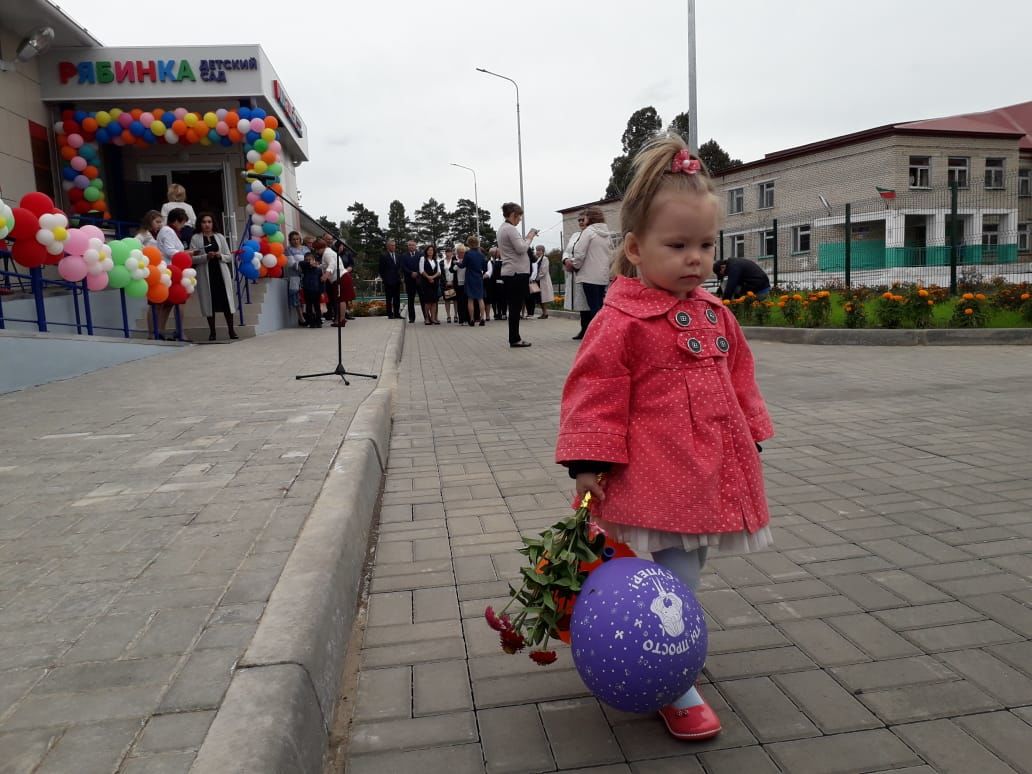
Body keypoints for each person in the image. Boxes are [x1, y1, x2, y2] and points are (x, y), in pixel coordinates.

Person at [555, 136, 774, 743]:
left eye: (706, 246)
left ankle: (661, 648)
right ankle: (673, 679)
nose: (696, 259)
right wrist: (588, 458)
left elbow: (740, 375)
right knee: (675, 577)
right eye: (677, 246)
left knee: (692, 561)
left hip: (711, 466)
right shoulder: (621, 318)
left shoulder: (715, 313)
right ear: (634, 247)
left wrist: (750, 431)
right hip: (655, 468)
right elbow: (594, 388)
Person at [189, 212, 238, 341]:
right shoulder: (195, 238)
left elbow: (228, 256)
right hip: (206, 273)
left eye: (209, 222)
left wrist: (219, 255)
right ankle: (212, 332)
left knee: (226, 302)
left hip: (220, 272)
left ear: (213, 223)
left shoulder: (220, 237)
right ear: (200, 224)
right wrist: (206, 256)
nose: (207, 225)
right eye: (204, 222)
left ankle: (231, 330)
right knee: (209, 303)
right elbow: (192, 258)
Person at [497, 203, 539, 347]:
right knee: (515, 307)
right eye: (519, 216)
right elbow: (521, 249)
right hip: (516, 273)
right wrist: (530, 237)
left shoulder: (502, 228)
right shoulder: (510, 229)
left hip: (510, 272)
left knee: (514, 306)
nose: (520, 219)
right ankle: (514, 339)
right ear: (513, 214)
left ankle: (514, 337)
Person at [570, 207, 611, 336]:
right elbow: (609, 254)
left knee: (593, 308)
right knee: (600, 306)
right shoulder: (606, 233)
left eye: (585, 217)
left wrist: (575, 265)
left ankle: (597, 336)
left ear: (590, 218)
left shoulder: (588, 232)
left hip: (589, 276)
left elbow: (579, 253)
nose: (584, 219)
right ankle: (604, 332)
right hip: (603, 276)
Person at [153, 207, 189, 339]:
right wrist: (185, 253)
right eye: (183, 222)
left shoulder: (169, 231)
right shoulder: (168, 231)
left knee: (168, 304)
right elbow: (169, 250)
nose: (183, 226)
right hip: (169, 270)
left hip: (171, 269)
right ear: (176, 221)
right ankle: (161, 330)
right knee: (170, 302)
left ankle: (161, 330)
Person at [563, 215, 590, 337]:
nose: (580, 222)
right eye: (579, 220)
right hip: (574, 272)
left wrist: (575, 263)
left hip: (586, 272)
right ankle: (583, 329)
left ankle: (590, 330)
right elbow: (567, 251)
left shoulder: (591, 235)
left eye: (583, 220)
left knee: (589, 303)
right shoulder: (575, 235)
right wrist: (566, 260)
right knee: (581, 304)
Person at [319, 239, 347, 327]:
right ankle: (340, 319)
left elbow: (332, 264)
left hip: (340, 277)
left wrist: (325, 275)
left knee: (341, 299)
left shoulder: (327, 253)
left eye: (317, 249)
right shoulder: (328, 252)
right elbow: (326, 265)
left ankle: (341, 319)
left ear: (320, 248)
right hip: (339, 277)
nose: (317, 252)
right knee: (340, 299)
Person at [462, 235, 488, 327]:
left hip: (470, 277)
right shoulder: (481, 255)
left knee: (470, 299)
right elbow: (485, 268)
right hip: (478, 277)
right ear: (477, 243)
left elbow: (463, 265)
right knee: (480, 299)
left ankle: (472, 319)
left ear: (469, 243)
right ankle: (482, 318)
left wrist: (457, 263)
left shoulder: (467, 253)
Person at [285, 231, 308, 326]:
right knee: (296, 296)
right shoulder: (288, 249)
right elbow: (291, 263)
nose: (296, 241)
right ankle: (301, 318)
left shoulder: (306, 248)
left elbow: (309, 259)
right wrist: (302, 268)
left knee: (305, 295)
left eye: (297, 239)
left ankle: (306, 314)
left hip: (306, 275)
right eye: (293, 239)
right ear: (290, 240)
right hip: (294, 276)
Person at [299, 247, 325, 327]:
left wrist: (322, 292)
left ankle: (318, 321)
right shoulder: (305, 268)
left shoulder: (318, 270)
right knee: (309, 307)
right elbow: (301, 263)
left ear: (314, 260)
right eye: (306, 260)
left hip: (316, 291)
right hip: (307, 290)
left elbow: (322, 282)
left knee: (317, 307)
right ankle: (311, 322)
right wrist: (308, 263)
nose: (308, 261)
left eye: (310, 259)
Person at [379, 238, 403, 319]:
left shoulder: (398, 256)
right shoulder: (383, 256)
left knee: (397, 298)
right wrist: (385, 279)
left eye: (394, 245)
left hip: (397, 280)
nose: (394, 247)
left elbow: (400, 267)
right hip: (388, 281)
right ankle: (390, 314)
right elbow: (381, 269)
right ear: (388, 246)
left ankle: (397, 314)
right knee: (389, 298)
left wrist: (400, 277)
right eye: (392, 245)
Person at [419, 244, 442, 325]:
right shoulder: (423, 259)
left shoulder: (436, 260)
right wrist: (428, 277)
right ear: (426, 251)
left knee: (434, 301)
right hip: (426, 282)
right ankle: (427, 318)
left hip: (434, 282)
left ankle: (433, 318)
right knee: (428, 301)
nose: (430, 251)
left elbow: (439, 272)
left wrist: (432, 277)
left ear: (434, 251)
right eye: (429, 250)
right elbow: (421, 270)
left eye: (432, 250)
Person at [334, 240, 357, 321]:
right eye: (339, 246)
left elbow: (351, 264)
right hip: (337, 276)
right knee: (339, 296)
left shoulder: (347, 253)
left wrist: (349, 269)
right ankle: (337, 315)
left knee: (346, 296)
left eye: (342, 246)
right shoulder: (334, 254)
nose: (340, 248)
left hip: (346, 274)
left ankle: (345, 313)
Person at [401, 240, 422, 323]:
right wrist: (411, 273)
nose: (411, 246)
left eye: (413, 245)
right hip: (409, 280)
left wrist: (417, 272)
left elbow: (422, 265)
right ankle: (411, 318)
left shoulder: (420, 255)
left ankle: (426, 317)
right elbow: (403, 267)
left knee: (423, 299)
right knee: (410, 300)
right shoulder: (404, 256)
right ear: (407, 246)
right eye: (409, 245)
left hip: (419, 280)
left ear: (415, 246)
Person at [534, 244, 554, 318]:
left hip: (543, 281)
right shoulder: (537, 259)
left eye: (539, 250)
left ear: (543, 251)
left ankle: (545, 313)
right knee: (540, 298)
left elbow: (544, 270)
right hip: (539, 281)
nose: (537, 252)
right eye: (537, 250)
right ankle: (544, 313)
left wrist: (537, 277)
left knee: (543, 298)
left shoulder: (545, 259)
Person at [441, 246, 458, 323]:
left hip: (454, 283)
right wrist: (446, 282)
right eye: (447, 252)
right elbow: (441, 274)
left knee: (455, 300)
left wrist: (452, 282)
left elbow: (457, 272)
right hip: (446, 283)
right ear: (445, 253)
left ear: (452, 253)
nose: (448, 254)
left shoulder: (455, 261)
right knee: (447, 300)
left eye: (450, 252)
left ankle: (455, 315)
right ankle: (448, 316)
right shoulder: (441, 262)